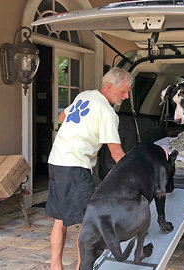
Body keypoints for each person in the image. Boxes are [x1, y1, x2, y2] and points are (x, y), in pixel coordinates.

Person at [45, 67, 134, 270]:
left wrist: (82, 128)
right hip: (75, 167)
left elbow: (61, 118)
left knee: (60, 220)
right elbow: (116, 153)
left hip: (57, 161)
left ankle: (55, 267)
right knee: (88, 225)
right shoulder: (107, 112)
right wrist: (135, 173)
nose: (126, 96)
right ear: (109, 87)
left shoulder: (85, 95)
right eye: (123, 91)